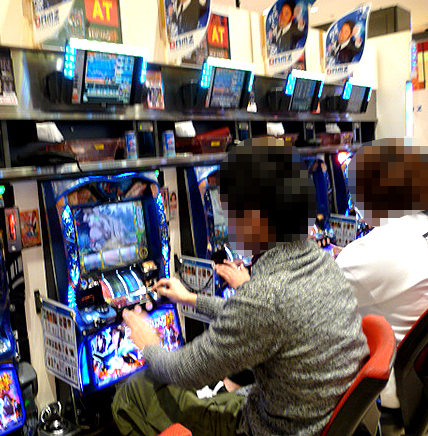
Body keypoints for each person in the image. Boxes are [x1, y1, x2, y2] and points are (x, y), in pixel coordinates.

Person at [112, 137, 369, 436]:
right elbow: (257, 317)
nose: (228, 224)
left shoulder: (265, 298)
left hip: (271, 429)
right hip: (312, 416)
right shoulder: (319, 262)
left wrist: (148, 345)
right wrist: (191, 298)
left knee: (134, 390)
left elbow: (185, 371)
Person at [336, 138, 428, 410]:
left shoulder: (364, 255)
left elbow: (304, 304)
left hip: (391, 390)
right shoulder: (420, 224)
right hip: (419, 382)